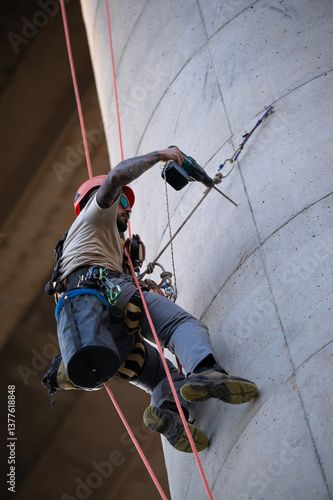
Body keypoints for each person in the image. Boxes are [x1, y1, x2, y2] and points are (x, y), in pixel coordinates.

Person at [43, 146, 258, 453]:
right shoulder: (95, 215)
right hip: (109, 295)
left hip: (100, 334)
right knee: (178, 324)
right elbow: (117, 176)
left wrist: (133, 269)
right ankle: (206, 372)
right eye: (123, 202)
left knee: (161, 375)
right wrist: (163, 155)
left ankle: (168, 412)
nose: (127, 209)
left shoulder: (77, 254)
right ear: (97, 201)